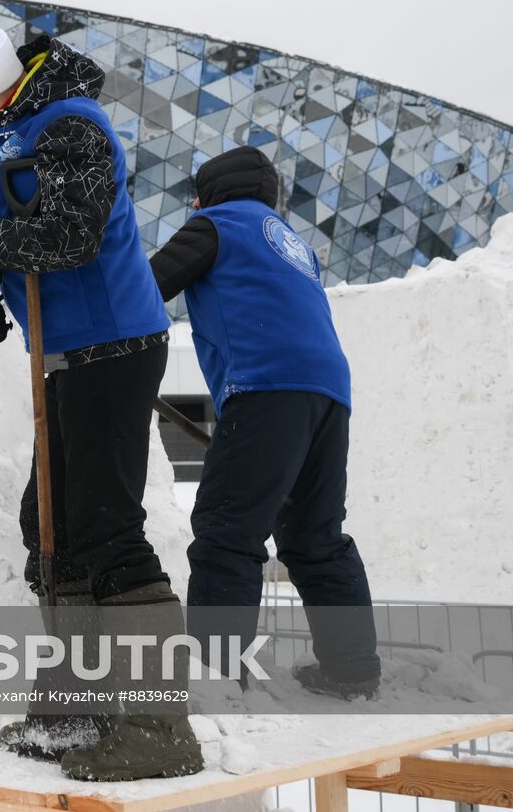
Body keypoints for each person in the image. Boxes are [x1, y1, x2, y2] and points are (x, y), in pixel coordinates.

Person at [0, 0, 203, 781]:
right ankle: (77, 705)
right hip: (67, 353)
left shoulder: (68, 126)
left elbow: (71, 235)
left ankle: (159, 729)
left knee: (104, 532)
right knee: (48, 524)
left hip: (114, 345)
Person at [149, 146, 381, 698]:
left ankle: (216, 679)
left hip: (265, 385)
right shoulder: (294, 246)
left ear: (205, 196)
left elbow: (146, 287)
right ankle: (352, 673)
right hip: (329, 395)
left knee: (227, 529)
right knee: (316, 537)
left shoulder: (216, 224)